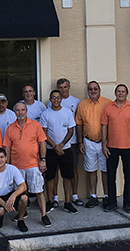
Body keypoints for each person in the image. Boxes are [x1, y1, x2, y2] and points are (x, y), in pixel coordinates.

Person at [4, 102, 51, 228]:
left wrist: (43, 160)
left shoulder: (35, 125)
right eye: (18, 110)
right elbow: (7, 148)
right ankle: (22, 213)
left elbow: (42, 143)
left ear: (26, 111)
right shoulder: (10, 128)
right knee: (19, 193)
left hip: (33, 165)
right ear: (15, 112)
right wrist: (7, 166)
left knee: (39, 191)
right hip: (16, 167)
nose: (20, 112)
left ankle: (44, 215)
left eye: (23, 110)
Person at [101, 84, 130, 213]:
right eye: (118, 91)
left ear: (126, 94)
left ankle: (126, 204)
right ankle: (112, 203)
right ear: (115, 93)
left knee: (128, 177)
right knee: (111, 177)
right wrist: (103, 144)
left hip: (128, 148)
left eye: (123, 91)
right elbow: (104, 127)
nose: (120, 93)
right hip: (111, 147)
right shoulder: (108, 107)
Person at [40, 90, 77, 213]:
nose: (56, 100)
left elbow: (71, 131)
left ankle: (67, 202)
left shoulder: (67, 112)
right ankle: (50, 201)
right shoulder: (45, 114)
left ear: (61, 99)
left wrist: (61, 145)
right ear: (50, 100)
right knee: (50, 176)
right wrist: (54, 146)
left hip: (65, 150)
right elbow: (43, 133)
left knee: (67, 176)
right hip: (50, 151)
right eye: (53, 98)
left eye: (58, 97)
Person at [75, 80, 110, 207]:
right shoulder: (82, 105)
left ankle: (106, 196)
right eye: (90, 89)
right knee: (91, 170)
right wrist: (80, 142)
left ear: (99, 90)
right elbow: (79, 124)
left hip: (104, 142)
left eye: (95, 89)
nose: (93, 91)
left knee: (105, 170)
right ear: (87, 91)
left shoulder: (108, 103)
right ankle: (93, 196)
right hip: (88, 142)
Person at [0, 147, 29, 232]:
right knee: (0, 211)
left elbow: (23, 186)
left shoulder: (12, 169)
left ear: (6, 158)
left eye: (2, 157)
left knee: (24, 198)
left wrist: (13, 196)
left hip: (10, 194)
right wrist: (5, 205)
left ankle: (20, 220)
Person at [54, 77, 82, 206]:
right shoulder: (52, 102)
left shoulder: (76, 102)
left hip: (72, 141)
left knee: (73, 169)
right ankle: (55, 196)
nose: (63, 90)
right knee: (55, 170)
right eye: (60, 87)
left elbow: (79, 123)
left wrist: (80, 141)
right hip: (55, 144)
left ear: (69, 87)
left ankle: (74, 195)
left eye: (65, 87)